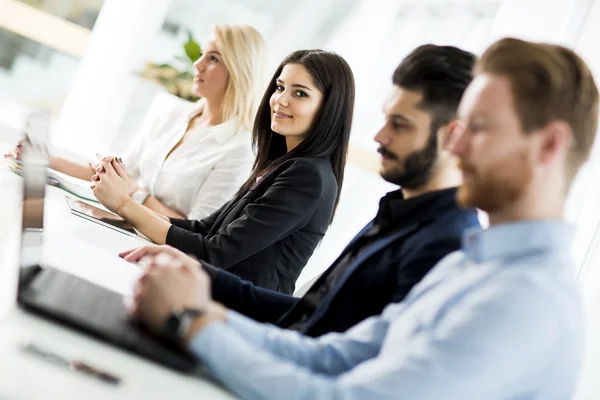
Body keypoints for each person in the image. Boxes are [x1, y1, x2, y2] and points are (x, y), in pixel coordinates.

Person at [129, 37, 599, 399]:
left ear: (549, 146)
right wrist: (201, 310)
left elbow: (344, 395)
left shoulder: (525, 300)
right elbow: (331, 353)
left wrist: (191, 321)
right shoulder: (471, 266)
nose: (453, 147)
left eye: (476, 129)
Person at [123, 44, 481, 337]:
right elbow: (313, 312)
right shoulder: (392, 212)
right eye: (280, 87)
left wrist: (129, 204)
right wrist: (186, 268)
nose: (377, 136)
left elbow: (340, 352)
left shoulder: (443, 242)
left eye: (399, 125)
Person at [101, 50, 355, 294]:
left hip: (235, 310)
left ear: (329, 108)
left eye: (300, 93)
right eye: (280, 87)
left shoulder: (307, 177)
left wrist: (125, 204)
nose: (280, 100)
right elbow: (204, 228)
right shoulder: (284, 164)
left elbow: (214, 253)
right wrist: (123, 208)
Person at [5, 24, 268, 221]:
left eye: (213, 58)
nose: (198, 65)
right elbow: (119, 176)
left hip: (151, 251)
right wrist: (43, 157)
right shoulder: (174, 115)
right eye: (202, 54)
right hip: (118, 225)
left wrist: (136, 194)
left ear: (239, 70)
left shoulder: (239, 150)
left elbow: (195, 230)